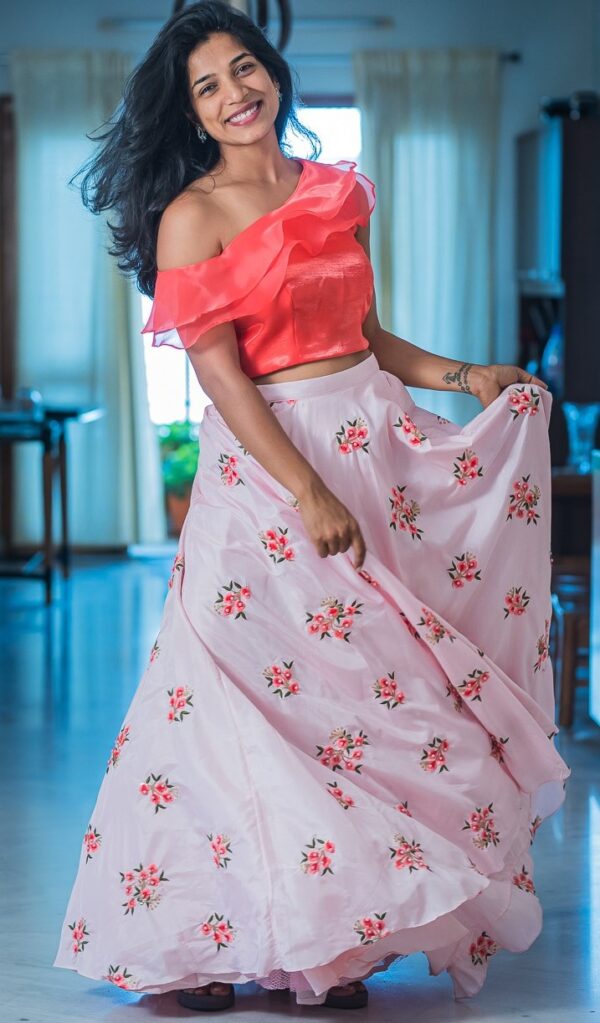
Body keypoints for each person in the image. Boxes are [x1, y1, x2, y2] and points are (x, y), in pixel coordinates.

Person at [53, 0, 570, 1013]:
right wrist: (306, 488)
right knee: (239, 702)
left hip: (371, 445)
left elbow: (372, 339)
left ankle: (333, 941)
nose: (234, 93)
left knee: (357, 701)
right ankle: (201, 943)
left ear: (272, 74)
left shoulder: (338, 192)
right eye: (208, 86)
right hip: (270, 471)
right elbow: (223, 377)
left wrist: (466, 376)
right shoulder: (191, 214)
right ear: (192, 112)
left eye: (243, 69)